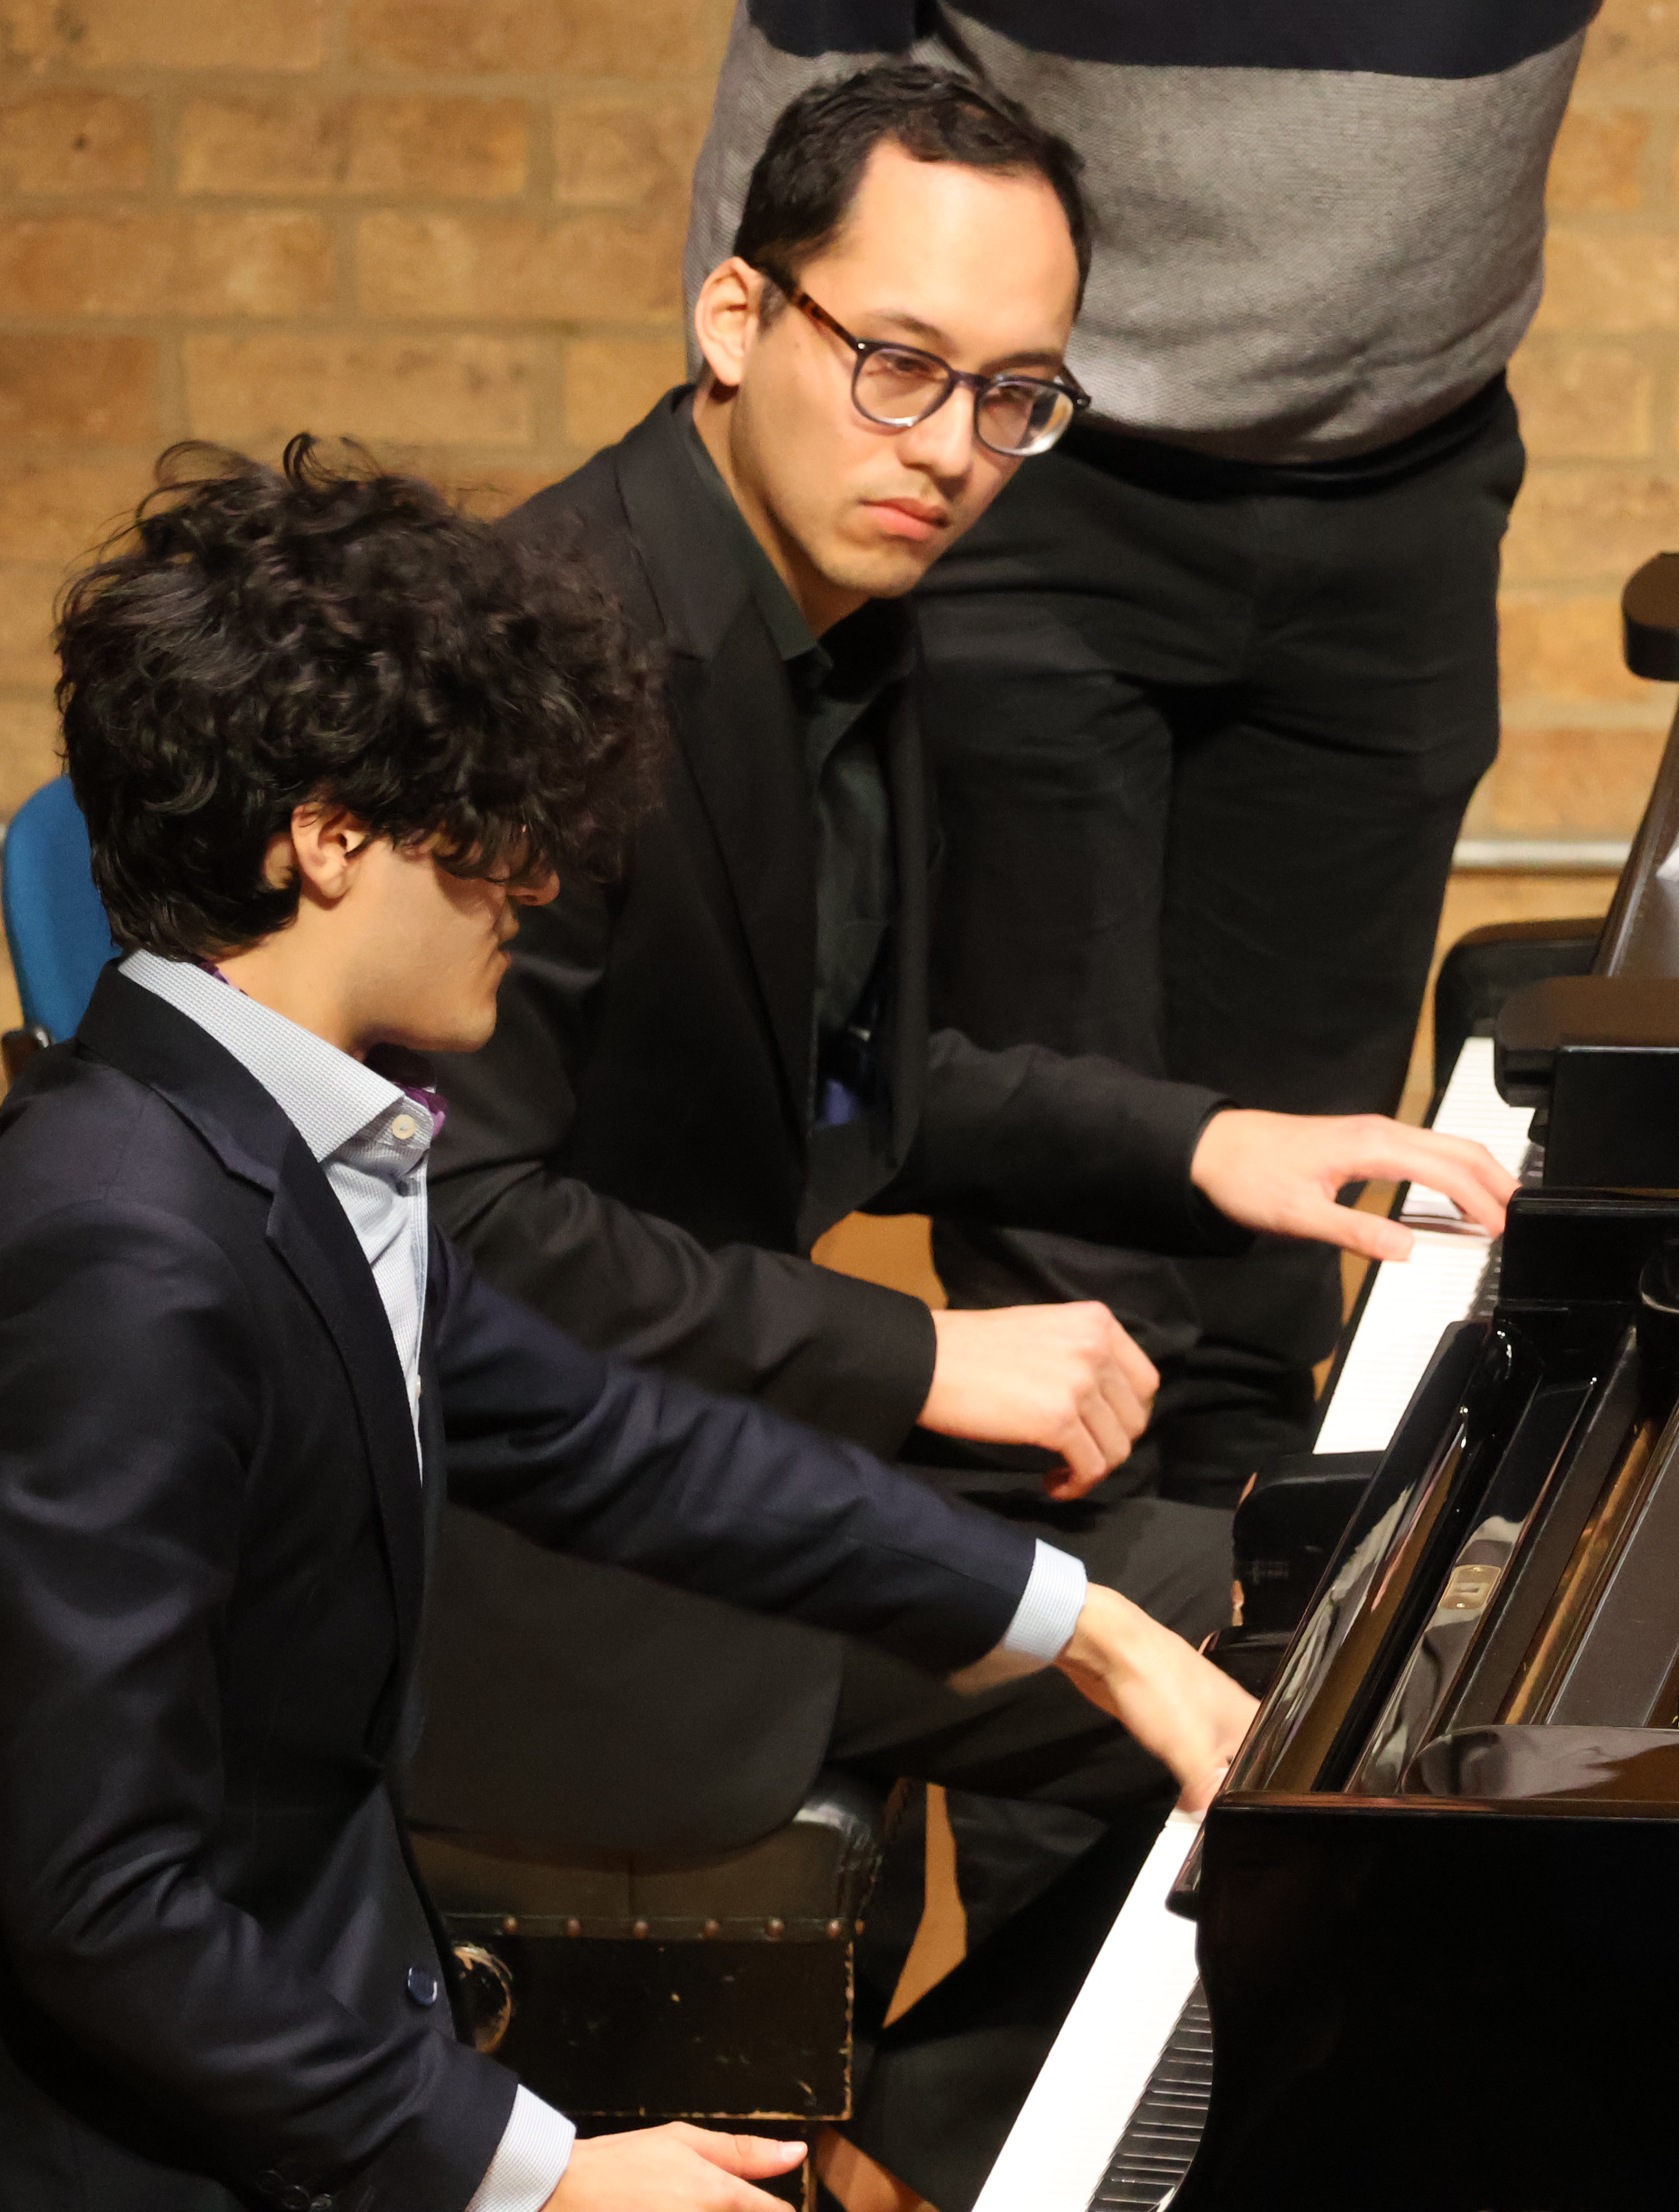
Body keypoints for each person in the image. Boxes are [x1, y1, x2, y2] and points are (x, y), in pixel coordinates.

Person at [0, 439, 1254, 2212]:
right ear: (328, 836)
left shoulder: (299, 1131)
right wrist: (547, 2172)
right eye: (485, 829)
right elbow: (107, 1908)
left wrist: (1084, 1626)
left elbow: (620, 1446)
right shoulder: (117, 1258)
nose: (535, 879)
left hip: (312, 2048)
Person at [414, 65, 1515, 2209]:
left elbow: (867, 1079)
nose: (949, 452)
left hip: (713, 1445)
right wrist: (919, 1361)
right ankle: (973, 2153)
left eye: (1016, 399)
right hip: (540, 1547)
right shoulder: (545, 663)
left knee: (1351, 1627)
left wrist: (1217, 1146)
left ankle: (941, 2139)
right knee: (1303, 1684)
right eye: (900, 366)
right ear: (737, 316)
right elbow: (467, 1237)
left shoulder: (843, 615)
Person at [681, 3, 1679, 1500]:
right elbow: (798, 104)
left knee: (1303, 1166)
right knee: (1054, 1135)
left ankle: (1243, 1598)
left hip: (1400, 481)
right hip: (1033, 462)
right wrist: (740, 504)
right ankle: (1064, 1610)